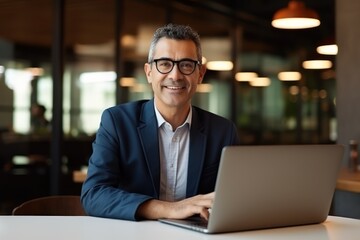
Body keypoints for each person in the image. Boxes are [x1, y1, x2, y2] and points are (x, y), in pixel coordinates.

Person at [81, 23, 240, 221]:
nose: (175, 75)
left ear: (200, 74)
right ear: (149, 72)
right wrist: (170, 209)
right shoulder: (117, 122)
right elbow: (94, 195)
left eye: (186, 65)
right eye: (164, 64)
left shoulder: (223, 131)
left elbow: (232, 200)